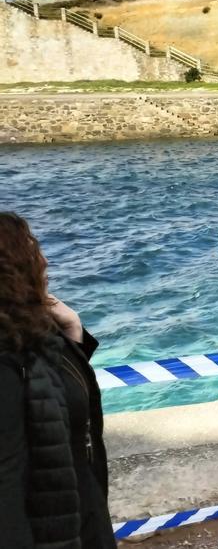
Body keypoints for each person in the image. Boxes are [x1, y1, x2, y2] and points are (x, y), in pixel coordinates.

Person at [0, 211, 117, 549]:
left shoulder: (36, 335)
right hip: (55, 530)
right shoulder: (8, 360)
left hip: (81, 514)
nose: (44, 260)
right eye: (31, 250)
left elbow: (65, 402)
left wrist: (74, 335)